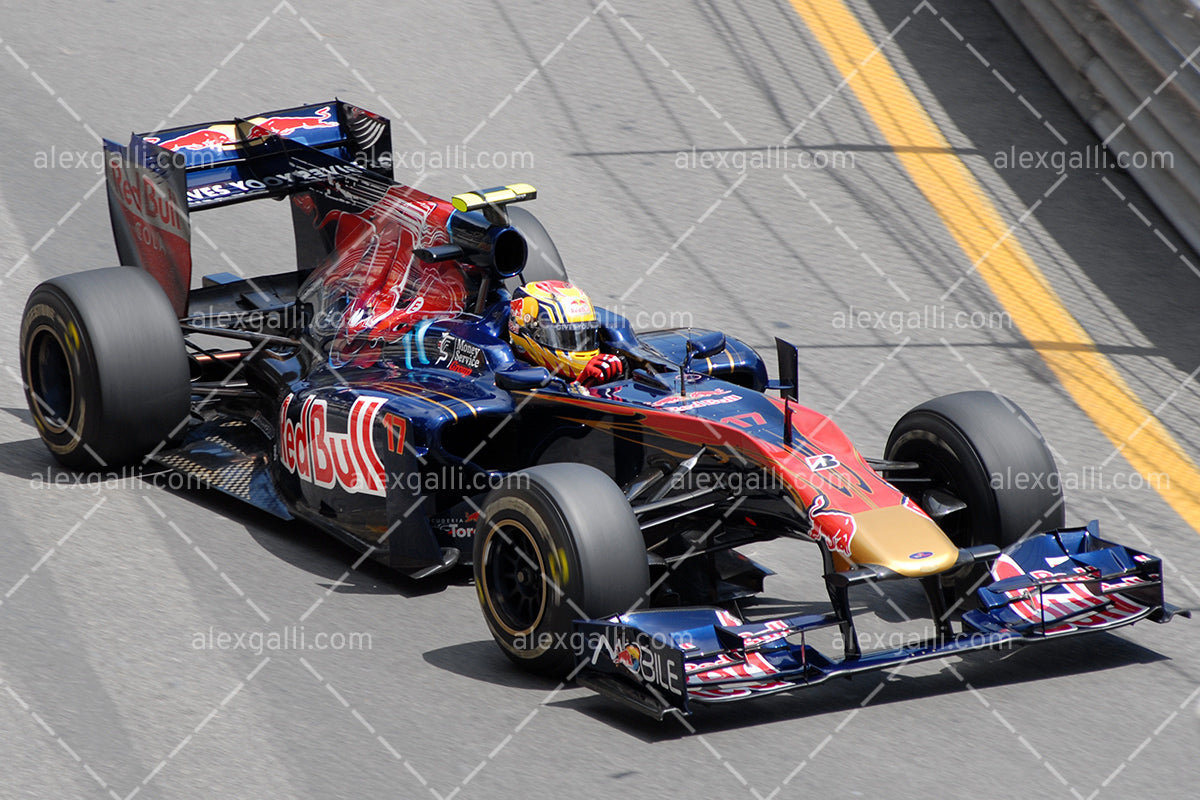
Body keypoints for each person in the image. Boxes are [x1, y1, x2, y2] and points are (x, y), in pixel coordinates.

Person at [508, 280, 624, 387]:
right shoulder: (509, 369)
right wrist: (580, 385)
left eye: (585, 335)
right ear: (531, 331)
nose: (580, 347)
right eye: (565, 339)